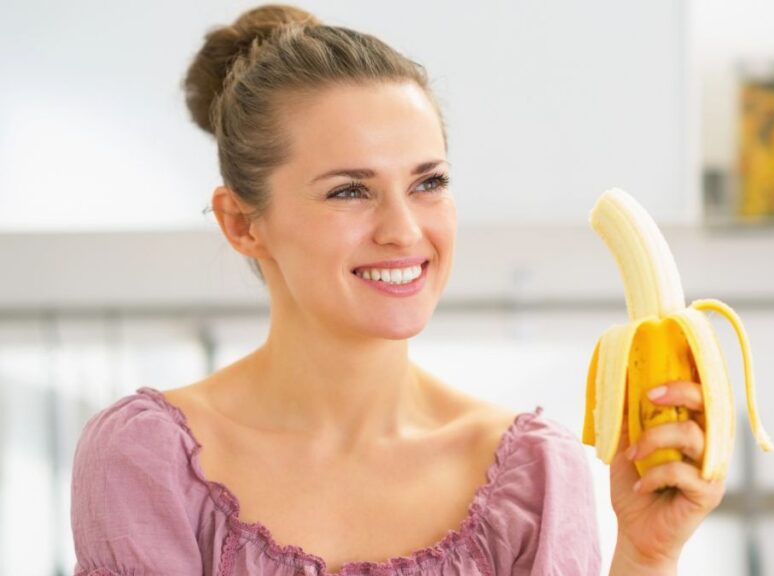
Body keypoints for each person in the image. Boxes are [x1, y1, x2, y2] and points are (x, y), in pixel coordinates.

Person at [69, 4, 723, 575]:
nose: (404, 230)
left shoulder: (535, 474)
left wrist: (646, 556)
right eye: (350, 191)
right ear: (241, 223)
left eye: (428, 182)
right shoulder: (147, 459)